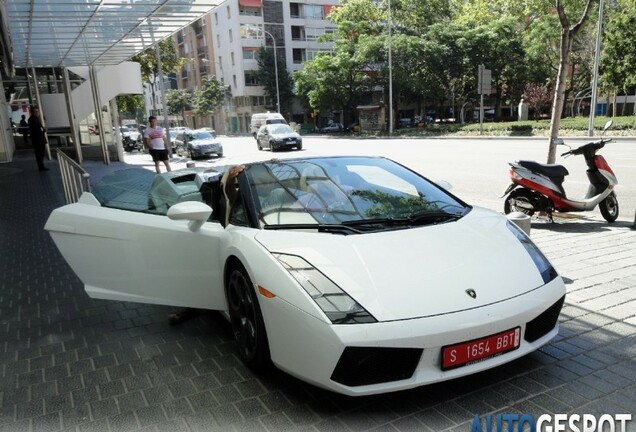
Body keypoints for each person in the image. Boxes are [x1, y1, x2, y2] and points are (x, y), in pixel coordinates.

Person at [168, 165, 245, 325]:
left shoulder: (282, 196)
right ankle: (193, 306)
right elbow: (230, 193)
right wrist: (231, 178)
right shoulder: (243, 199)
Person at [28, 107, 48, 171]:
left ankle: (41, 166)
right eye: (35, 111)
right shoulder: (32, 120)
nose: (37, 113)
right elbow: (36, 131)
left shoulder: (35, 119)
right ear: (32, 112)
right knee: (39, 154)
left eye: (37, 111)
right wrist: (44, 130)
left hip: (39, 140)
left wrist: (43, 130)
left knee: (41, 154)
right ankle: (41, 167)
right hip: (38, 140)